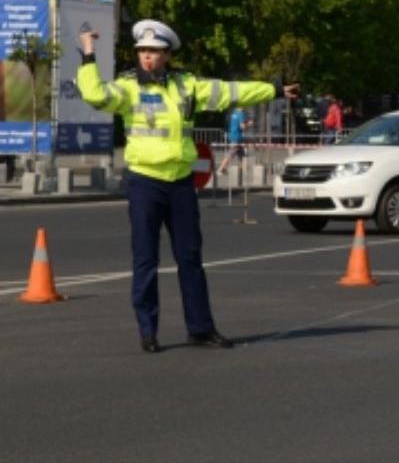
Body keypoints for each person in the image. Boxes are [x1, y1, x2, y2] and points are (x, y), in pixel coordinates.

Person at [77, 19, 298, 353]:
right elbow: (94, 95)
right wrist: (88, 55)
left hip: (180, 183)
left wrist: (275, 90)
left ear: (166, 54)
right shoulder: (127, 88)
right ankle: (148, 332)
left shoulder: (187, 86)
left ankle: (200, 328)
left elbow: (230, 92)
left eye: (154, 51)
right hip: (145, 182)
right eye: (142, 51)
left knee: (190, 258)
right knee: (145, 260)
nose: (147, 57)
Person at [216, 107, 246, 175]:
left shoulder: (234, 113)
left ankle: (241, 171)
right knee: (230, 154)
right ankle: (220, 169)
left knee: (241, 154)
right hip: (236, 137)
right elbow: (242, 126)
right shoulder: (240, 114)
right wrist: (248, 124)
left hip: (233, 135)